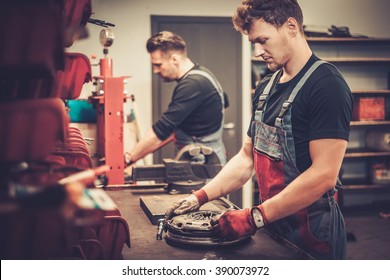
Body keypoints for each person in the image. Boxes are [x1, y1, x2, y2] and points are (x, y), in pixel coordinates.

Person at [165, 0, 353, 260]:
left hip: (312, 233)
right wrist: (199, 197)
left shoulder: (326, 86)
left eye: (263, 40)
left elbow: (324, 176)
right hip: (273, 226)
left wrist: (255, 216)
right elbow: (246, 158)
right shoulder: (266, 87)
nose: (257, 52)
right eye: (254, 42)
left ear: (291, 27)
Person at [125, 31, 227, 165]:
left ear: (174, 59)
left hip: (201, 164)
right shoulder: (203, 73)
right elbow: (224, 103)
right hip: (207, 156)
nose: (155, 71)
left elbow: (160, 131)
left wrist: (128, 158)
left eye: (158, 64)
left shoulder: (192, 84)